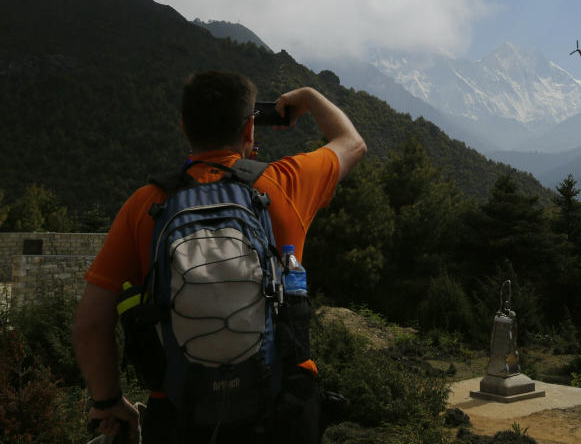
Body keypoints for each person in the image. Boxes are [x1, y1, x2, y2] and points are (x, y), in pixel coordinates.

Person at [72, 71, 366, 443]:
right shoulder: (284, 183)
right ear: (249, 130)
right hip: (281, 410)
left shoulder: (144, 205)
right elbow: (352, 143)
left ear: (184, 127)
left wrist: (108, 400)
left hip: (180, 413)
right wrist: (308, 96)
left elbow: (90, 325)